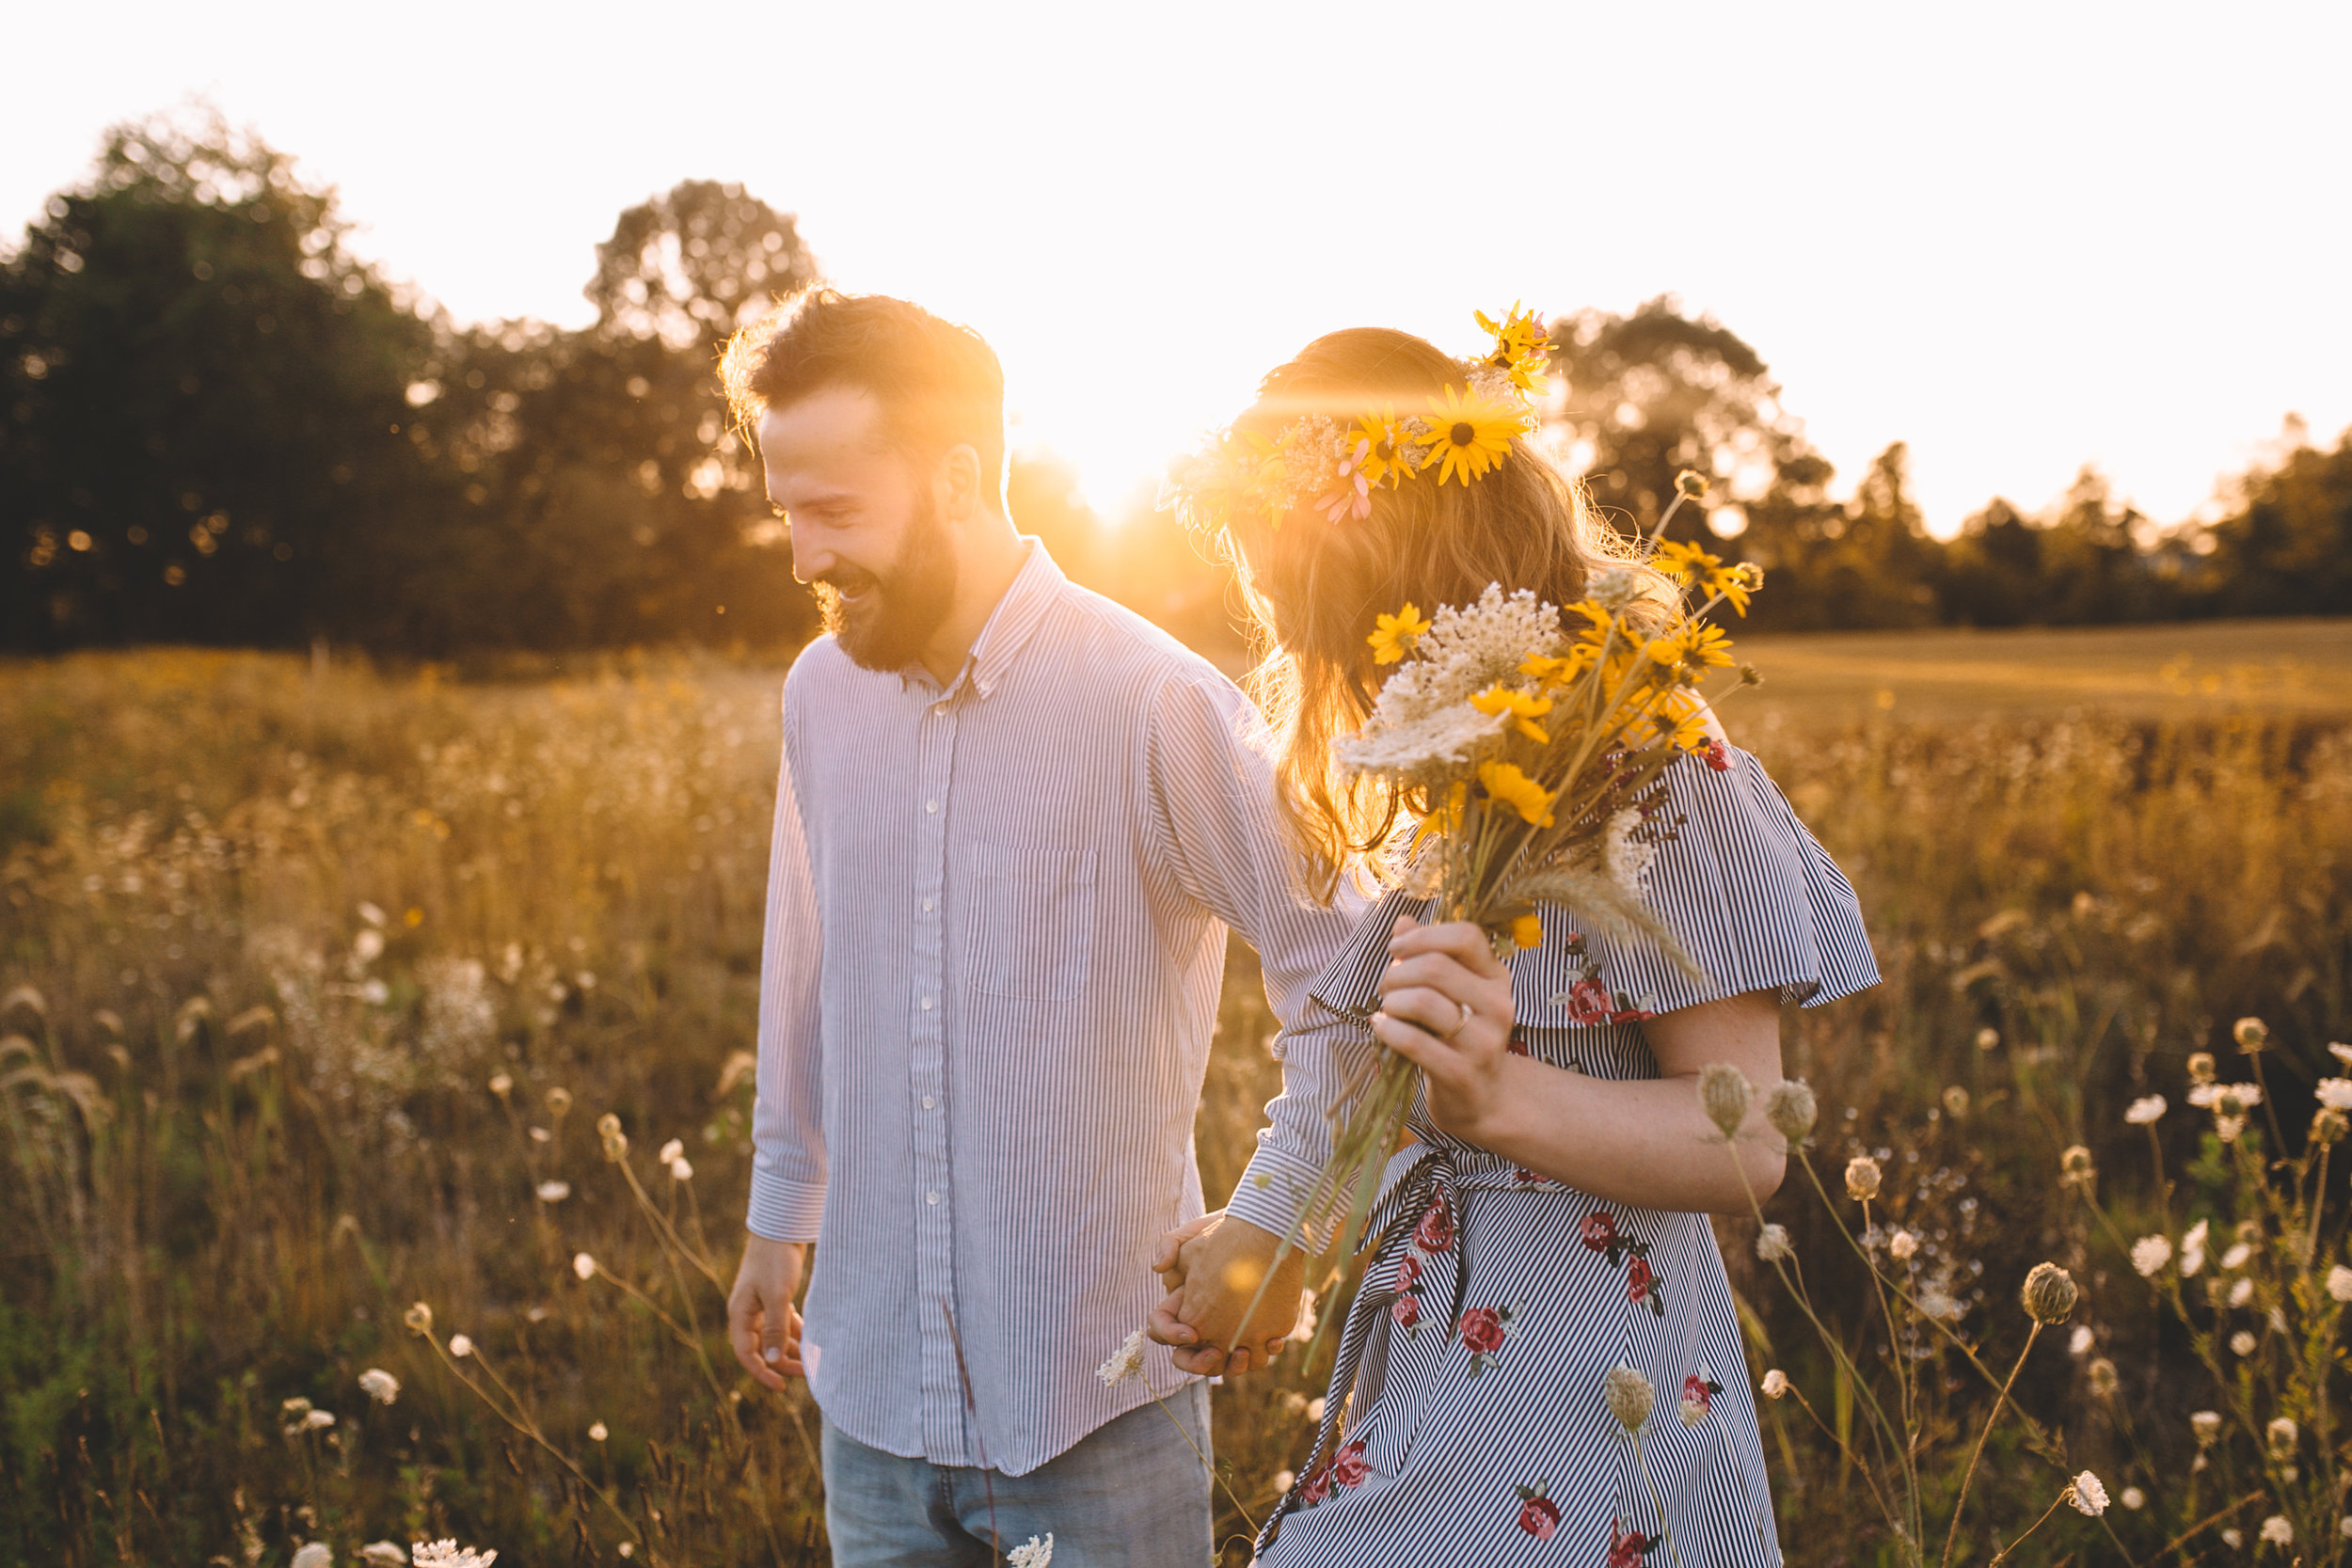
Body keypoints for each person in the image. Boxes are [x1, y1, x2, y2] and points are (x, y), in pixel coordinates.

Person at [1148, 322, 1879, 1567]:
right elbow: (1363, 1089)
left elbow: (1751, 1133)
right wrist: (1248, 1255)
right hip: (1441, 1367)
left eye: (1298, 597)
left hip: (1594, 1403)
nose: (1293, 638)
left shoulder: (1645, 753)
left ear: (1377, 549)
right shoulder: (1457, 783)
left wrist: (1497, 1094)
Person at [717, 289, 1357, 1567]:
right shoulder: (820, 693)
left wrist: (1275, 1222)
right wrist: (778, 1215)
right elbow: (806, 961)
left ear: (955, 478)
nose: (802, 557)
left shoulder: (1155, 701)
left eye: (836, 511)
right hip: (875, 1403)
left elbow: (1349, 968)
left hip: (1097, 1409)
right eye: (787, 511)